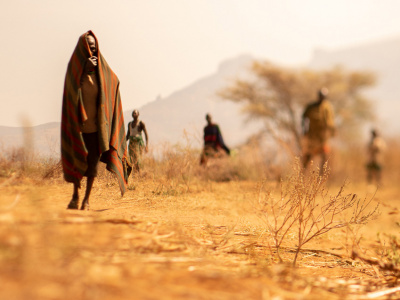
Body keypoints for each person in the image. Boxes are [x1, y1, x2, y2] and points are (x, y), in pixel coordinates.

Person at [61, 31, 130, 210]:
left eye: (94, 47)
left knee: (92, 166)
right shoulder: (75, 71)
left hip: (96, 129)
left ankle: (86, 200)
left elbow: (114, 82)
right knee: (78, 165)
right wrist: (83, 70)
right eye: (89, 48)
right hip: (79, 129)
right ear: (82, 49)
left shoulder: (102, 71)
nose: (92, 51)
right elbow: (70, 93)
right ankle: (75, 195)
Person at [301, 88, 335, 172]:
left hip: (323, 138)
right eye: (321, 96)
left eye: (323, 96)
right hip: (312, 136)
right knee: (308, 155)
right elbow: (303, 118)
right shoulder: (310, 107)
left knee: (324, 156)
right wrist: (304, 130)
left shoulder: (327, 107)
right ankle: (302, 175)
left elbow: (330, 123)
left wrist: (331, 133)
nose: (322, 98)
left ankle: (322, 177)